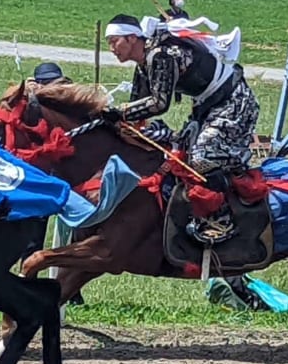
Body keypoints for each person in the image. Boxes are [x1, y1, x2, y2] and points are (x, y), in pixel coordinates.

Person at [102, 14, 257, 241]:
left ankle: (221, 219)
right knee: (175, 147)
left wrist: (120, 113)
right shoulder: (144, 64)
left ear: (132, 38)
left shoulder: (161, 56)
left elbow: (158, 103)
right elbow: (138, 102)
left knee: (202, 156)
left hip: (234, 101)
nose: (112, 48)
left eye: (114, 41)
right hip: (207, 105)